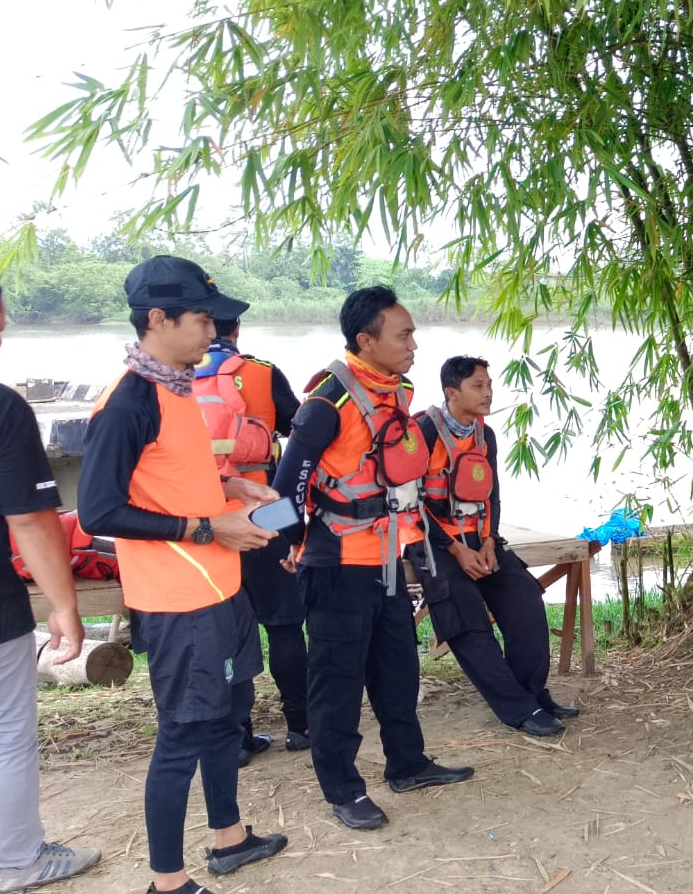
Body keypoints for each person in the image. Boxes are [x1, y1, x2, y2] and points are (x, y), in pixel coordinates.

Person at [78, 256, 287, 894]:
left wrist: (232, 484)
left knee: (229, 714)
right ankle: (167, 881)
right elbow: (99, 511)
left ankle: (229, 837)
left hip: (220, 586)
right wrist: (207, 528)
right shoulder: (127, 401)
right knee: (182, 735)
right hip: (178, 601)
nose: (214, 332)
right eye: (202, 318)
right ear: (159, 318)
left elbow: (171, 477)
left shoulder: (176, 385)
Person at [270, 286, 473, 831]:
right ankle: (342, 789)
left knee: (398, 671)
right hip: (337, 566)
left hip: (387, 562)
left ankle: (407, 764)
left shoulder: (396, 392)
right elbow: (285, 486)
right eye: (403, 334)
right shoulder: (328, 402)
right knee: (336, 685)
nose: (413, 344)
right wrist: (287, 544)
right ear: (366, 340)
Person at [0, 276, 103, 893]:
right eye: (2, 326)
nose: (2, 339)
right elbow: (32, 520)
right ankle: (16, 860)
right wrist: (64, 606)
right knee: (4, 732)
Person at [414, 356, 579, 737]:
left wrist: (489, 540)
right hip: (434, 543)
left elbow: (493, 496)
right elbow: (411, 503)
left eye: (489, 385)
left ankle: (533, 694)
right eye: (478, 386)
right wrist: (456, 549)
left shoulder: (484, 436)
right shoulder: (423, 433)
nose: (488, 393)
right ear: (451, 392)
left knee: (525, 601)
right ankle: (516, 709)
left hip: (481, 539)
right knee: (467, 623)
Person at [195, 310, 310, 761]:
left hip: (204, 520)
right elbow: (301, 435)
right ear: (236, 330)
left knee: (227, 629)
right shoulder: (261, 373)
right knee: (284, 623)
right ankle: (300, 726)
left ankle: (238, 737)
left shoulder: (174, 379)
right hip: (264, 511)